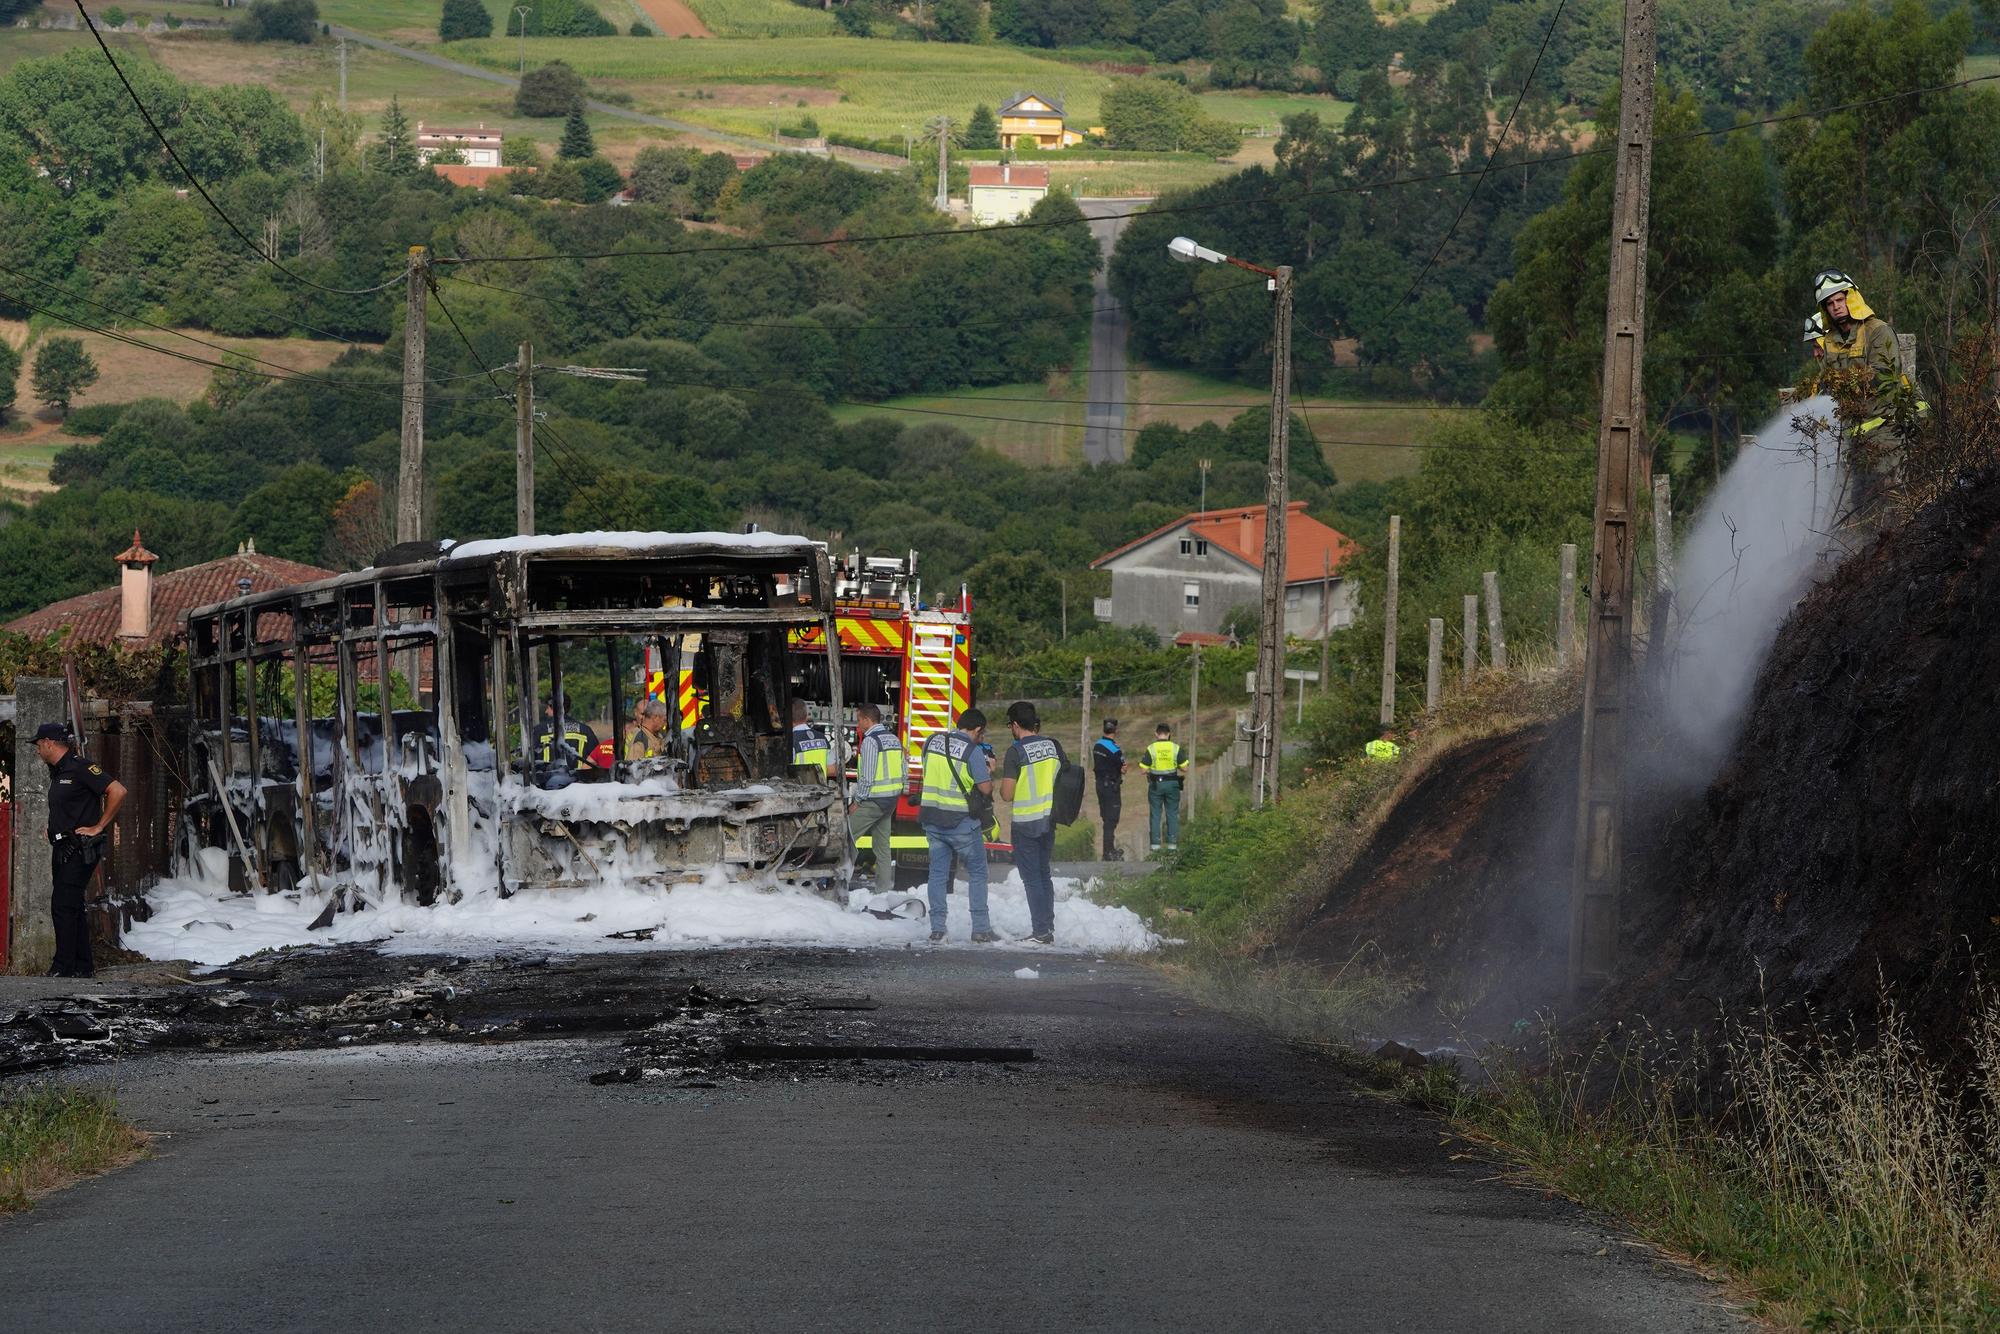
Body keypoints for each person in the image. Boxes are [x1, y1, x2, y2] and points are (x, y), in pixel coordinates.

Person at [1812, 269, 1912, 520]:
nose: (1836, 307)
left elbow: (1884, 376)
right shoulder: (1830, 341)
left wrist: (1845, 382)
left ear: (1851, 298)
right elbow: (1826, 383)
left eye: (1839, 299)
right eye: (1830, 303)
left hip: (1885, 433)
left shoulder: (1877, 331)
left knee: (1886, 500)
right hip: (1854, 441)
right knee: (1859, 504)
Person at [34, 723, 125, 979]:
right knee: (72, 905)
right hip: (61, 846)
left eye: (39, 745)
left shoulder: (80, 767)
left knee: (62, 905)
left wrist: (99, 826)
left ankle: (62, 967)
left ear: (49, 743)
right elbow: (70, 807)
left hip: (79, 848)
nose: (38, 751)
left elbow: (117, 790)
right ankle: (83, 966)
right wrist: (53, 829)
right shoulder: (58, 771)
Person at [918, 707, 997, 944]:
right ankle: (981, 929)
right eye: (981, 735)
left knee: (938, 875)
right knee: (978, 873)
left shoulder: (931, 742)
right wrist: (990, 770)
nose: (980, 739)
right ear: (977, 730)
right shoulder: (972, 751)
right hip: (961, 824)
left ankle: (937, 929)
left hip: (932, 819)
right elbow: (985, 789)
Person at [999, 701, 1065, 945]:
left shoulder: (1016, 752)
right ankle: (1047, 927)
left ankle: (1041, 932)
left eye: (1010, 726)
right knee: (1043, 874)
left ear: (1016, 725)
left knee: (1032, 879)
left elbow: (1007, 794)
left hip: (1026, 823)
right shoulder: (1054, 746)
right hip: (1049, 820)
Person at [849, 702, 904, 879]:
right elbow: (904, 771)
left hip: (874, 801)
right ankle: (884, 890)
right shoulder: (894, 739)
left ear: (867, 719)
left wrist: (857, 802)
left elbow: (867, 776)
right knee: (883, 848)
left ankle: (836, 883)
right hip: (890, 801)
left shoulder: (870, 742)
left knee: (845, 836)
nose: (858, 725)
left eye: (859, 720)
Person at [1139, 722, 1188, 853]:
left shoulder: (1151, 748)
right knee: (1172, 813)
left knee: (1155, 814)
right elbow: (1185, 768)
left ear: (1156, 734)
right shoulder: (1175, 748)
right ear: (1169, 734)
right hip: (1172, 785)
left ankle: (1155, 846)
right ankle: (1172, 846)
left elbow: (1143, 770)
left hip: (1156, 785)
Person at [1091, 718, 1127, 861]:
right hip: (1111, 786)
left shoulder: (1097, 746)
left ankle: (1110, 849)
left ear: (1103, 729)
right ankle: (1108, 853)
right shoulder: (1115, 749)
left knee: (1106, 818)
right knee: (1111, 820)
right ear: (1115, 730)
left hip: (1099, 785)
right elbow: (1123, 768)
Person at [789, 698, 831, 779]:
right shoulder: (822, 738)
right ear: (807, 716)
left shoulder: (790, 741)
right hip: (822, 789)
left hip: (799, 789)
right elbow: (833, 769)